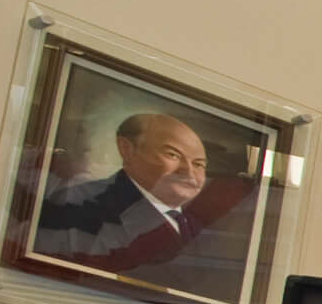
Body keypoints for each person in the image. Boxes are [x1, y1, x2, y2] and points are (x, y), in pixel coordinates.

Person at [33, 113, 212, 274]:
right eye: (173, 155)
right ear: (127, 149)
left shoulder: (200, 224)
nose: (188, 172)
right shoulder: (75, 203)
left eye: (198, 164)